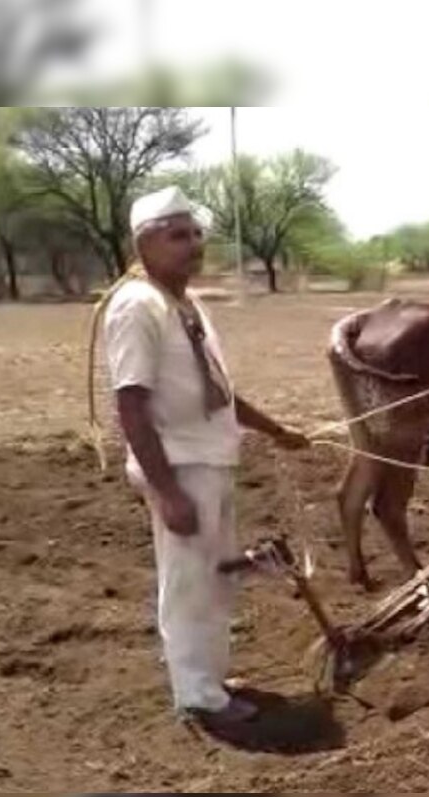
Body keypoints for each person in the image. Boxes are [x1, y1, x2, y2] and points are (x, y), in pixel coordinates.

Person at [101, 186, 309, 730]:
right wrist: (166, 490)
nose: (193, 245)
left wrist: (277, 430)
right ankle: (196, 696)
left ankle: (210, 681)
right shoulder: (136, 306)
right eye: (178, 236)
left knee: (217, 578)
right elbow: (131, 404)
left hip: (211, 460)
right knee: (190, 582)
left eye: (196, 234)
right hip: (179, 467)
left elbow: (220, 390)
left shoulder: (188, 305)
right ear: (145, 243)